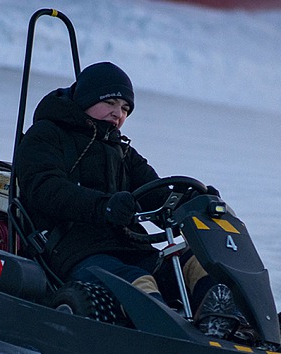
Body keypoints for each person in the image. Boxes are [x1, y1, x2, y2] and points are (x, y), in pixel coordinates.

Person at [13, 61, 239, 338]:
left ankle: (227, 323)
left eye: (125, 109)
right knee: (138, 282)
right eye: (110, 102)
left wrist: (192, 203)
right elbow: (45, 189)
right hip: (75, 250)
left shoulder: (121, 150)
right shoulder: (45, 135)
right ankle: (168, 338)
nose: (117, 113)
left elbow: (157, 192)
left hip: (131, 248)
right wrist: (104, 206)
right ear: (86, 99)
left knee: (195, 263)